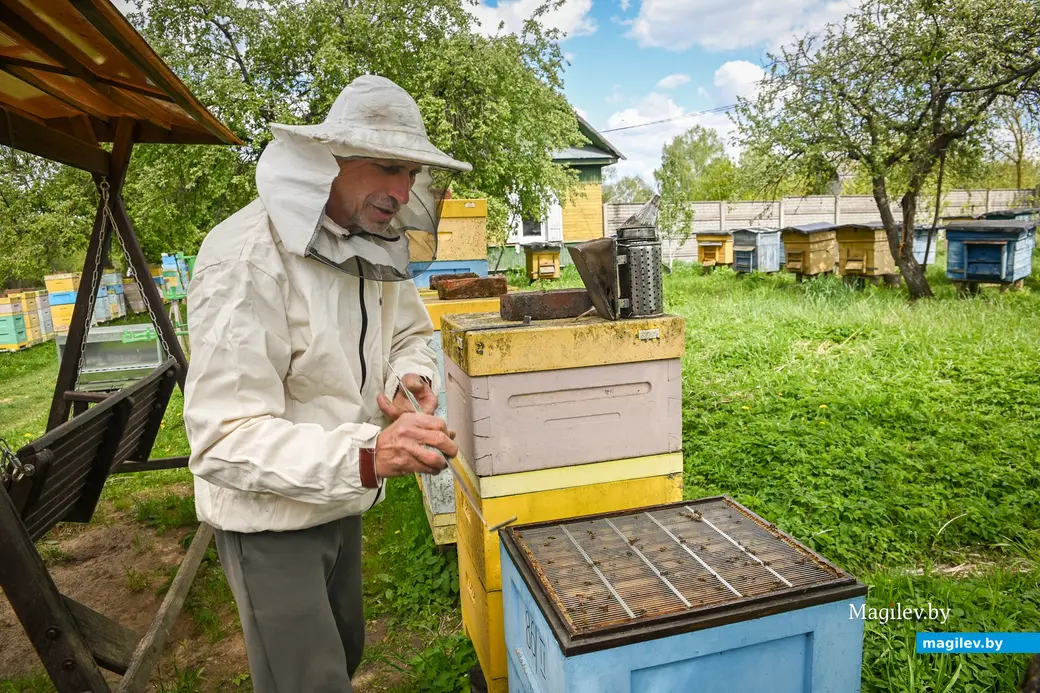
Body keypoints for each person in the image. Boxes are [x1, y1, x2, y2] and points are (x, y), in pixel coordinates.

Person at [182, 74, 466, 693]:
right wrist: (368, 454)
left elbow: (408, 334)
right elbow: (223, 438)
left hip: (342, 499)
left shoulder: (371, 240)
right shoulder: (245, 259)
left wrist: (410, 377)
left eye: (411, 173)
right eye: (387, 167)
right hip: (269, 522)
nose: (402, 191)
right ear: (330, 159)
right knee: (307, 682)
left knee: (344, 650)